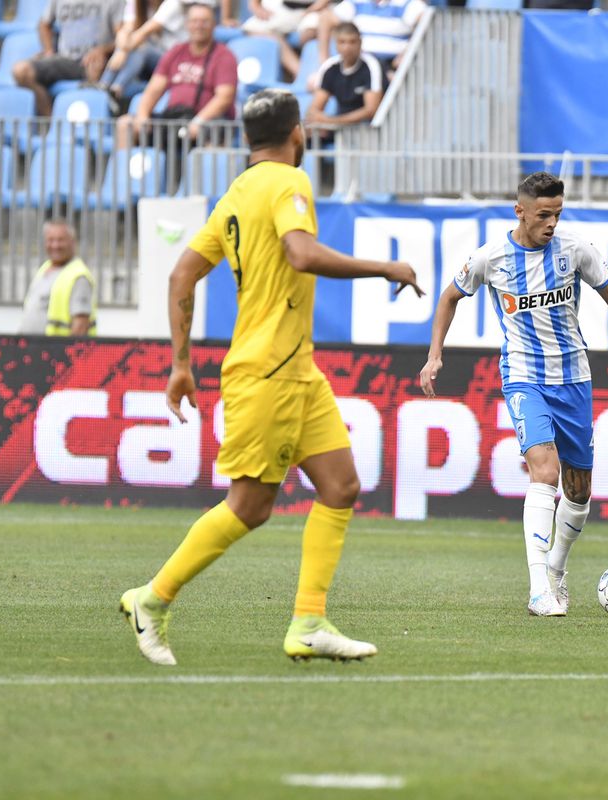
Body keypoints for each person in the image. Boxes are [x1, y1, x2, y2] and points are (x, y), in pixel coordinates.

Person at [118, 88, 424, 666]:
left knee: (340, 487)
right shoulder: (289, 182)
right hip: (269, 370)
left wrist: (182, 362)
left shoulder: (236, 194)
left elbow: (181, 276)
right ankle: (152, 600)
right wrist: (384, 266)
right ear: (297, 133)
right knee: (250, 505)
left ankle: (309, 622)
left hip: (295, 369)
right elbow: (302, 254)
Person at [418, 172, 608, 617]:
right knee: (544, 469)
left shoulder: (575, 249)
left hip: (573, 378)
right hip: (523, 376)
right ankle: (538, 590)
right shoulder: (490, 257)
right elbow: (448, 298)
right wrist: (434, 355)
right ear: (520, 211)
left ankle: (556, 569)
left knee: (579, 489)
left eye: (557, 213)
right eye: (543, 215)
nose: (551, 223)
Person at [117, 1, 237, 149]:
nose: (199, 26)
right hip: (174, 118)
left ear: (214, 25)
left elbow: (224, 98)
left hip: (207, 122)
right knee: (125, 124)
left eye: (204, 21)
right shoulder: (176, 52)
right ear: (187, 24)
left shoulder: (224, 56)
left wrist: (199, 121)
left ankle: (206, 171)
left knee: (213, 136)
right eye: (194, 21)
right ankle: (123, 171)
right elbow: (154, 89)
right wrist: (143, 115)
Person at [12, 0, 123, 116]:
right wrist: (48, 50)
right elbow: (44, 24)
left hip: (96, 62)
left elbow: (124, 38)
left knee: (96, 67)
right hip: (64, 59)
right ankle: (52, 124)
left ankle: (91, 126)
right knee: (21, 70)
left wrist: (103, 50)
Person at [100, 0, 192, 114]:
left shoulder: (172, 4)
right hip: (152, 65)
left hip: (176, 61)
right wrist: (122, 38)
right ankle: (104, 88)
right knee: (133, 49)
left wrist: (122, 51)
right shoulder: (138, 5)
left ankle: (113, 88)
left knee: (142, 48)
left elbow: (142, 34)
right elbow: (126, 30)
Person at [19, 219, 97, 337]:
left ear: (72, 242)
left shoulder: (79, 276)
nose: (55, 245)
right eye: (50, 240)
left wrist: (64, 354)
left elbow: (80, 327)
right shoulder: (44, 268)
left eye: (61, 240)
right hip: (32, 350)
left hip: (54, 353)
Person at [313, 0, 426, 81]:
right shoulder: (356, 2)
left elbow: (429, 25)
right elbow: (326, 18)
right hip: (359, 65)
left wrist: (408, 54)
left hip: (391, 67)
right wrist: (324, 63)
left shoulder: (408, 3)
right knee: (320, 82)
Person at [305, 23, 382, 131]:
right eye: (342, 42)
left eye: (352, 42)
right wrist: (318, 119)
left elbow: (371, 110)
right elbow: (314, 108)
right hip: (340, 128)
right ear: (335, 44)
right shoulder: (330, 67)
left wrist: (331, 122)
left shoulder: (371, 65)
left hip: (368, 130)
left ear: (360, 43)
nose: (347, 47)